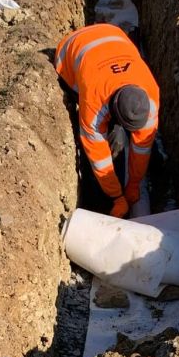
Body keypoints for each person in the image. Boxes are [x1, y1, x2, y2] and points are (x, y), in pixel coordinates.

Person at [54, 22, 159, 218]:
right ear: (112, 110)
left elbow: (142, 147)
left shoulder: (150, 97)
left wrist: (134, 183)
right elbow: (98, 156)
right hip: (70, 52)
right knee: (112, 137)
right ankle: (101, 202)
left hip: (111, 34)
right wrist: (116, 196)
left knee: (119, 136)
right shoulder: (94, 103)